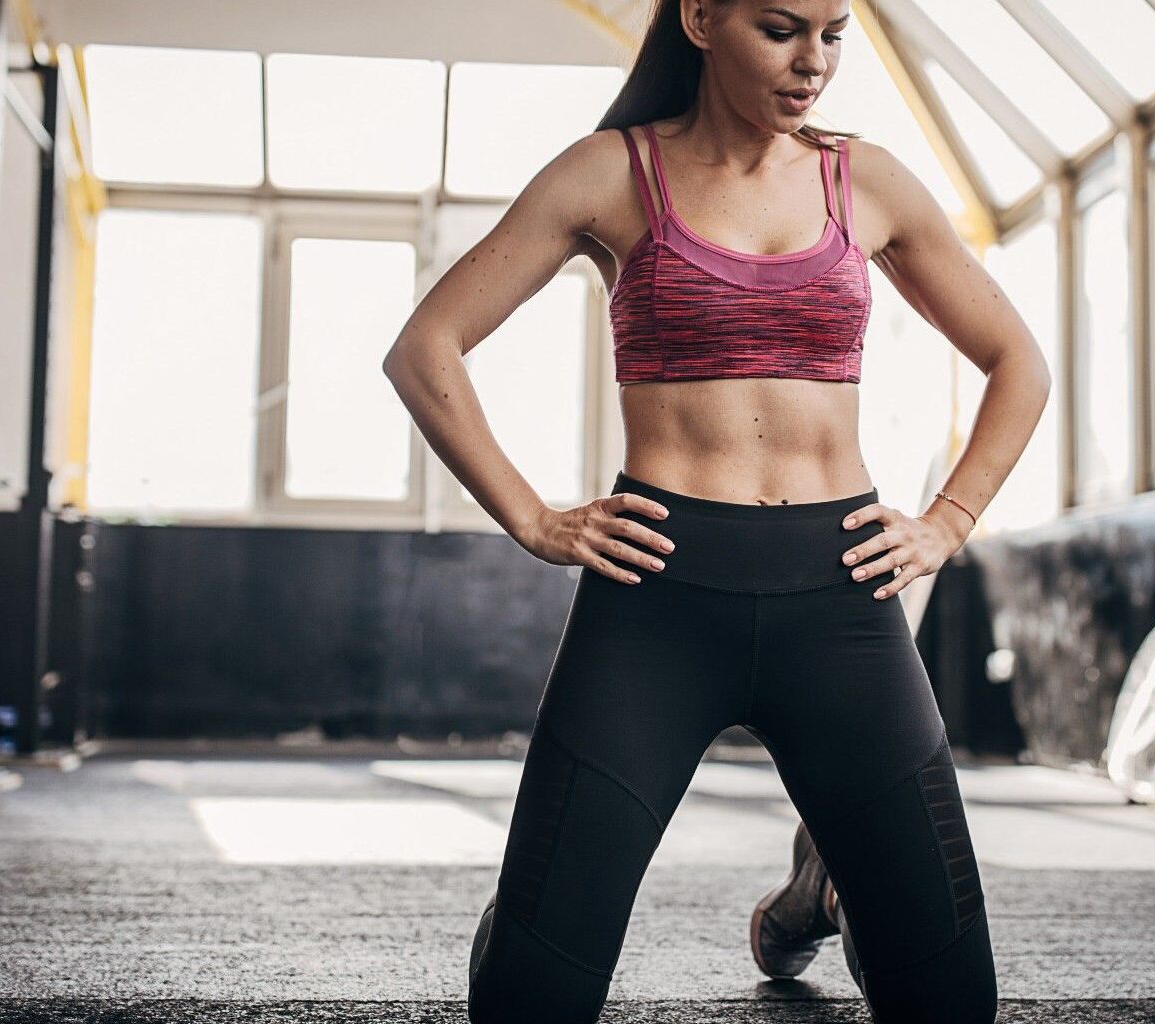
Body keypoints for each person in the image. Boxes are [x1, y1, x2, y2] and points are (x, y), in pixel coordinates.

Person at [382, 1, 1050, 1020]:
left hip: (841, 600)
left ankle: (823, 885)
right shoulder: (609, 173)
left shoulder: (862, 181)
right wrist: (534, 518)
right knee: (529, 1001)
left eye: (832, 33)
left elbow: (1019, 363)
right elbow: (425, 347)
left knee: (954, 1003)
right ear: (700, 16)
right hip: (655, 600)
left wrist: (948, 521)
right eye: (781, 29)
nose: (813, 62)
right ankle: (539, 906)